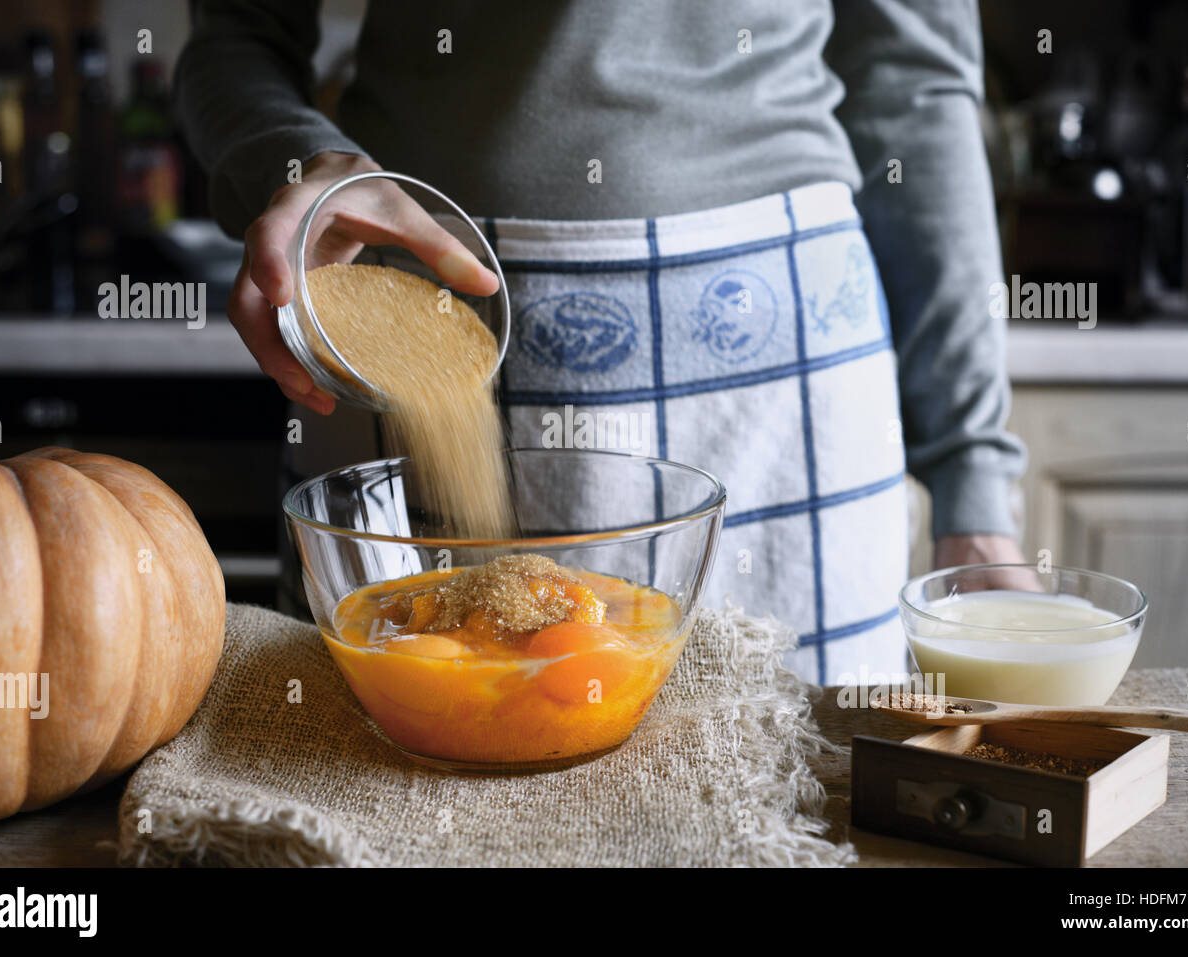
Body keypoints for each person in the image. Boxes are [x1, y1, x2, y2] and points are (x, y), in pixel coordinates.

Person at [175, 0, 1027, 684]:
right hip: (416, 325)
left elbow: (913, 82)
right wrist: (299, 164)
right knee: (385, 796)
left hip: (778, 372)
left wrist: (974, 482)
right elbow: (235, 38)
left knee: (801, 801)